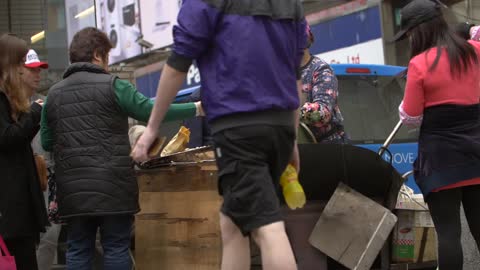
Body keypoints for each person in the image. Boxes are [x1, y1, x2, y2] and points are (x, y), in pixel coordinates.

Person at [131, 1, 307, 269]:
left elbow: (179, 63)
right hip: (280, 126)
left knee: (267, 228)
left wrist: (152, 128)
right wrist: (292, 139)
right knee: (232, 223)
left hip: (238, 129)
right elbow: (294, 75)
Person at [41, 27, 202, 270]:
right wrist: (196, 108)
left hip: (73, 190)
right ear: (97, 55)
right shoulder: (113, 85)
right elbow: (149, 109)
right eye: (106, 56)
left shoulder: (53, 95)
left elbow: (46, 142)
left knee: (78, 248)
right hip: (113, 185)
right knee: (115, 247)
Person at [393, 0, 480, 269]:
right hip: (477, 153)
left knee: (449, 234)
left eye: (408, 34)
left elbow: (411, 117)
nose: (408, 39)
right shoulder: (475, 50)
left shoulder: (419, 65)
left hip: (441, 162)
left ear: (419, 31)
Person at [0, 33, 49, 270]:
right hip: (11, 210)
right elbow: (8, 139)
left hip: (18, 208)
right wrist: (33, 114)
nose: (25, 69)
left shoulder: (12, 101)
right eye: (21, 62)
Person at [300, 24, 348, 144]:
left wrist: (291, 111)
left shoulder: (320, 70)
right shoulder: (283, 72)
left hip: (327, 150)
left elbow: (323, 112)